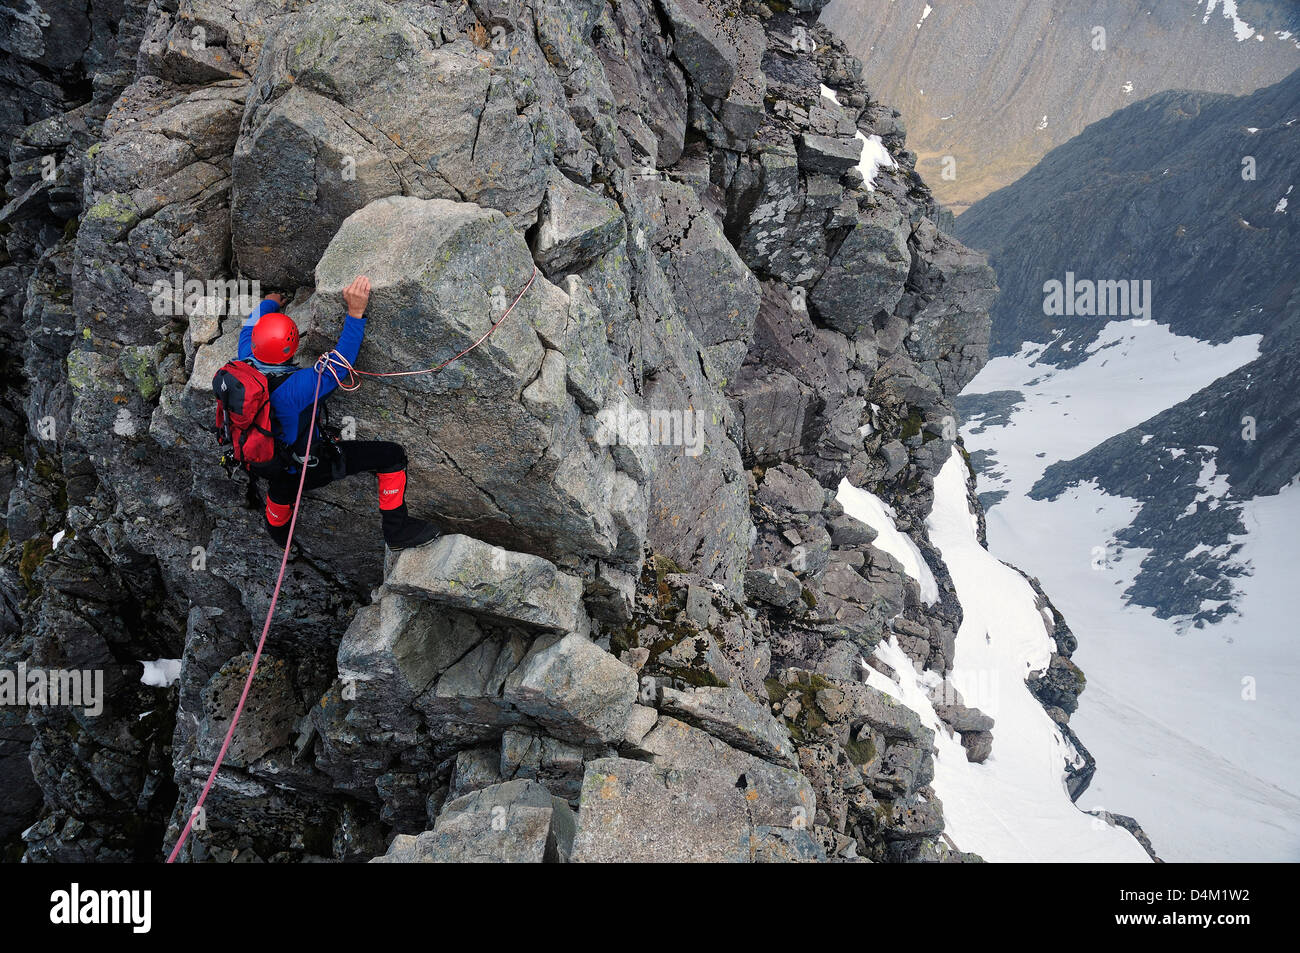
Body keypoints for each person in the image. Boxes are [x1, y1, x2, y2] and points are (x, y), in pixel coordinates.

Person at [238, 276, 441, 551]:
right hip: (304, 465)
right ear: (292, 347)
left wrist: (271, 301)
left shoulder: (242, 361)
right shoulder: (297, 387)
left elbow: (253, 320)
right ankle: (397, 531)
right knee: (392, 455)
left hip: (257, 455)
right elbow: (341, 362)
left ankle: (278, 534)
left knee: (282, 484)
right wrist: (356, 312)